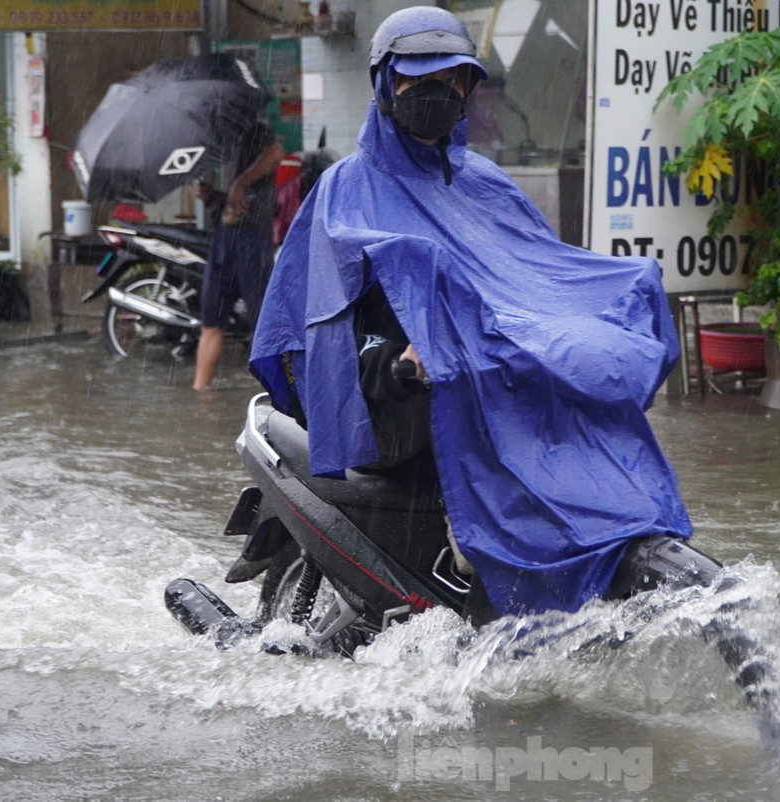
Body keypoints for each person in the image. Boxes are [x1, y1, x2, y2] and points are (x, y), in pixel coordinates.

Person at [251, 7, 691, 617]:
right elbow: (321, 330)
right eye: (420, 79)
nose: (440, 92)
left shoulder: (488, 184)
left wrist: (598, 315)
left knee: (586, 422)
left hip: (486, 382)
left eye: (454, 79)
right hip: (400, 400)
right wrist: (397, 365)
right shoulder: (345, 192)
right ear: (386, 83)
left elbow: (537, 282)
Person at [192, 122, 285, 391]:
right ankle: (201, 394)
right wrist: (211, 195)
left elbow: (275, 154)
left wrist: (240, 184)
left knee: (263, 323)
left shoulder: (254, 129)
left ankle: (274, 395)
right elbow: (228, 199)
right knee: (211, 322)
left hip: (252, 239)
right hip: (223, 237)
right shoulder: (219, 140)